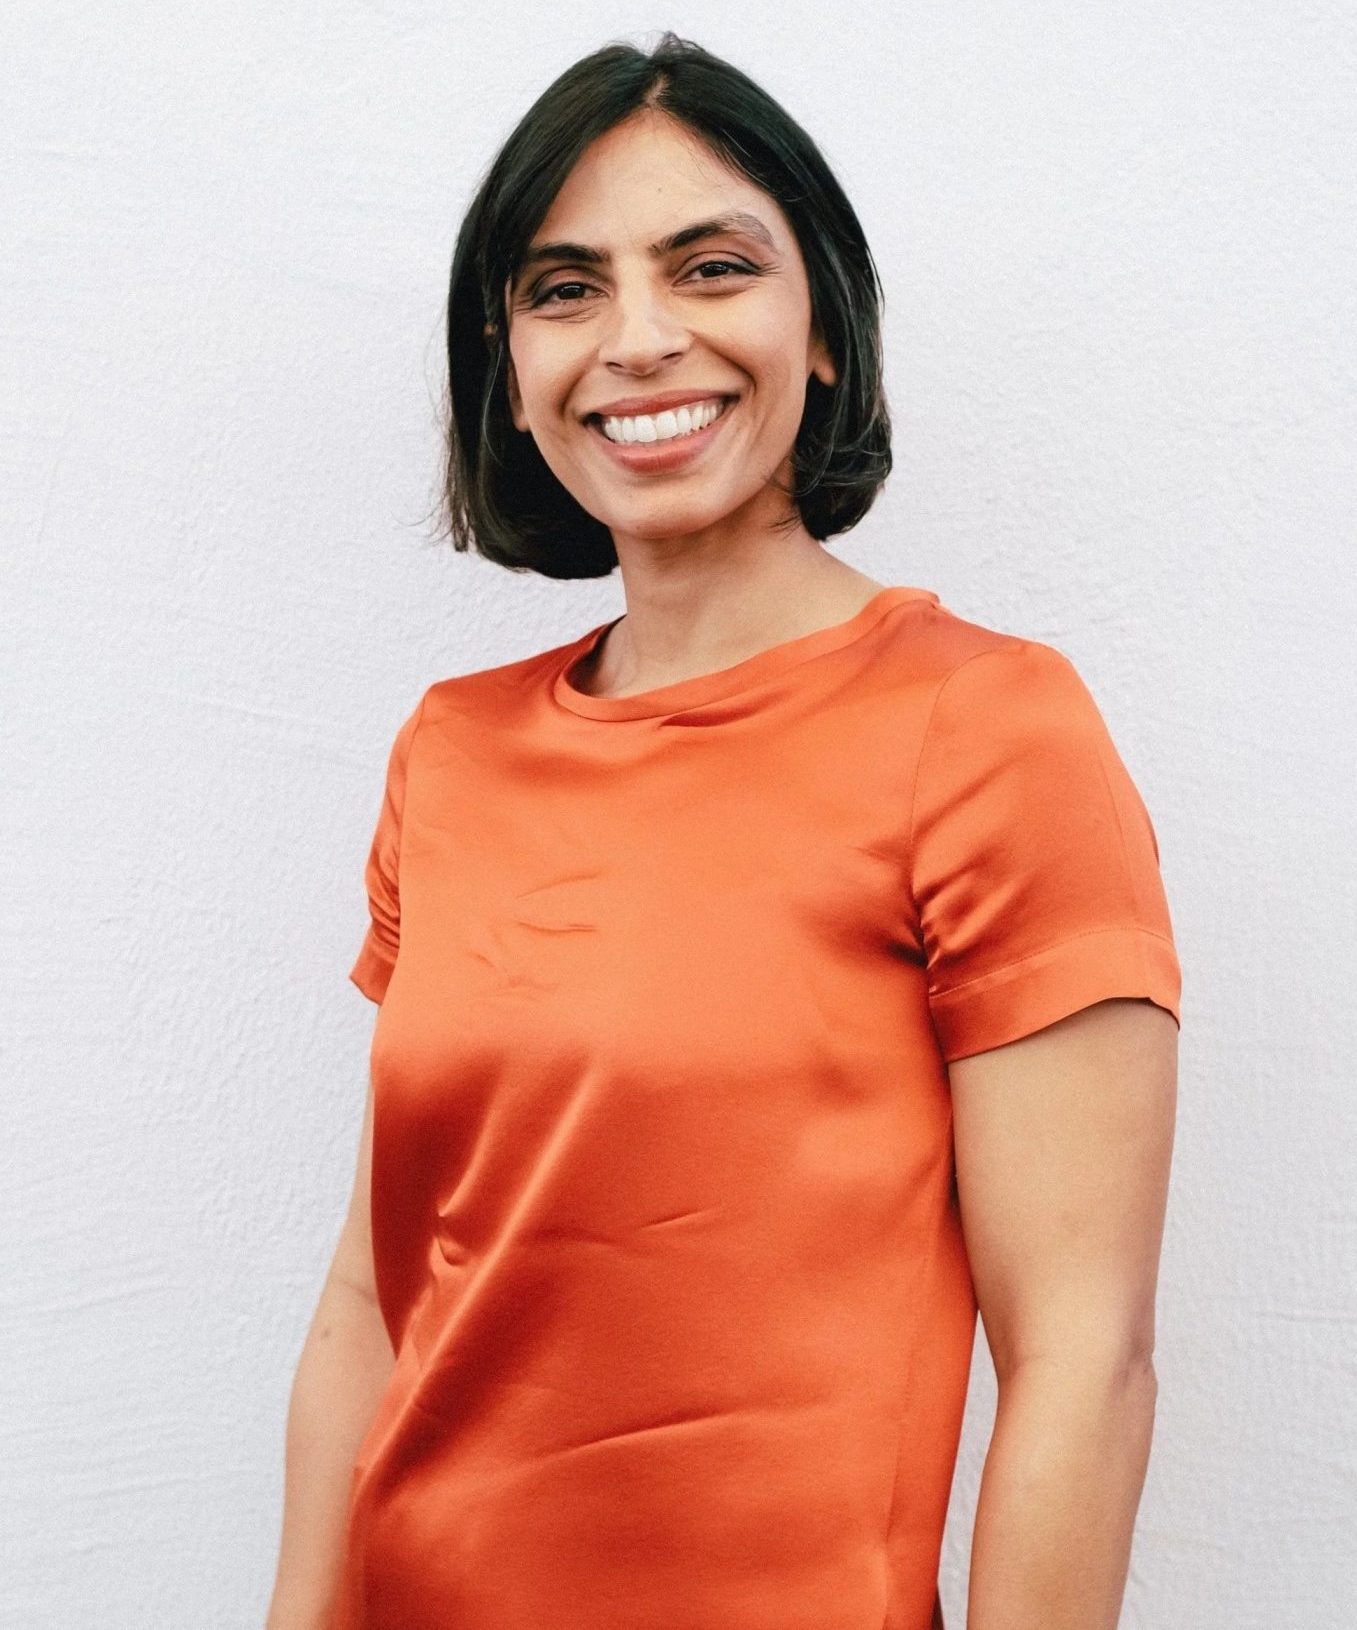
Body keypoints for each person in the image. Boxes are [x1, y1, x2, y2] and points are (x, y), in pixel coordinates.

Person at [265, 32, 1182, 1630]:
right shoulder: (451, 751)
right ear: (509, 361)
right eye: (564, 289)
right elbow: (375, 1296)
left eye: (708, 267)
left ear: (819, 325)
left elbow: (1079, 1356)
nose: (637, 338)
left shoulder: (984, 726)